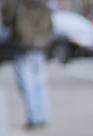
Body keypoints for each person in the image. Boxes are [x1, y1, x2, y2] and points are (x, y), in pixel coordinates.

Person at [1, 0, 53, 129]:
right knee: (40, 82)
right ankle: (42, 116)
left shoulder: (16, 3)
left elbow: (7, 20)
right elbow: (51, 25)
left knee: (27, 83)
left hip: (23, 46)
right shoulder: (43, 3)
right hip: (40, 46)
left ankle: (34, 117)